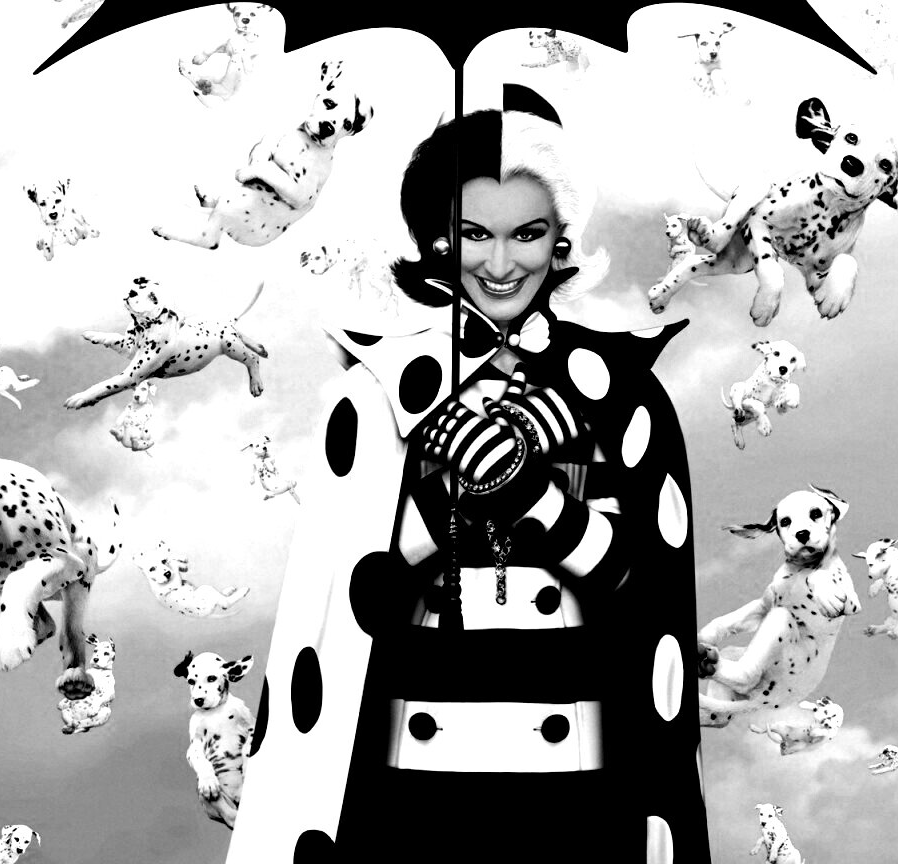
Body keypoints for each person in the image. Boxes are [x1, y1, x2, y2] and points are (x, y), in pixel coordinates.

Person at [230, 86, 709, 862]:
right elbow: (354, 601)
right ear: (437, 241)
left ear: (561, 240)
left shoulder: (620, 395)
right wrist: (445, 503)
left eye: (527, 234)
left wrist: (530, 494)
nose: (500, 263)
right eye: (474, 234)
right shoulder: (377, 391)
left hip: (577, 802)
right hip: (413, 801)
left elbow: (639, 590)